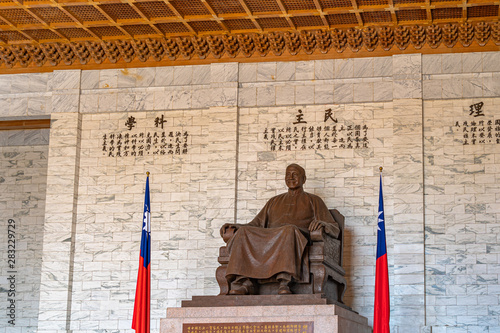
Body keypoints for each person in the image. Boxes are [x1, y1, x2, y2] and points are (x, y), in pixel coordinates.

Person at [220, 163, 340, 295]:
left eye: (295, 174)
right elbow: (256, 224)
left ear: (303, 179)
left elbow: (335, 228)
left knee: (288, 230)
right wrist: (237, 226)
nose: (291, 177)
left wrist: (322, 224)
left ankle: (284, 282)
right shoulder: (274, 201)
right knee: (243, 232)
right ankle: (245, 282)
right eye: (288, 174)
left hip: (295, 236)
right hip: (272, 236)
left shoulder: (313, 200)